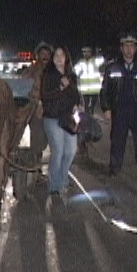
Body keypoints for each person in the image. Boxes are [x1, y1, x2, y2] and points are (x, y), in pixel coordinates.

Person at [99, 31, 137, 183]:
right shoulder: (112, 67)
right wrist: (106, 109)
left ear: (136, 48)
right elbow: (105, 90)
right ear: (121, 48)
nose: (129, 49)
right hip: (119, 111)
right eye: (126, 46)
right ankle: (115, 168)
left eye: (132, 46)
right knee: (117, 140)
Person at [41, 46, 81, 208]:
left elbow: (76, 95)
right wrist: (60, 88)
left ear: (66, 58)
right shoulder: (49, 75)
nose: (58, 58)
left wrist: (77, 105)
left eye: (61, 55)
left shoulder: (71, 76)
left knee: (71, 150)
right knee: (58, 151)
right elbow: (45, 96)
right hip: (52, 117)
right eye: (56, 55)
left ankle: (63, 177)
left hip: (68, 118)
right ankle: (55, 187)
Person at [23, 42, 53, 169]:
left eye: (47, 54)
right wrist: (38, 101)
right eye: (42, 54)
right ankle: (35, 159)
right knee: (37, 132)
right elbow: (25, 88)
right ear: (38, 55)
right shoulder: (31, 70)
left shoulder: (54, 71)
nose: (45, 56)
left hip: (52, 109)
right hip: (36, 109)